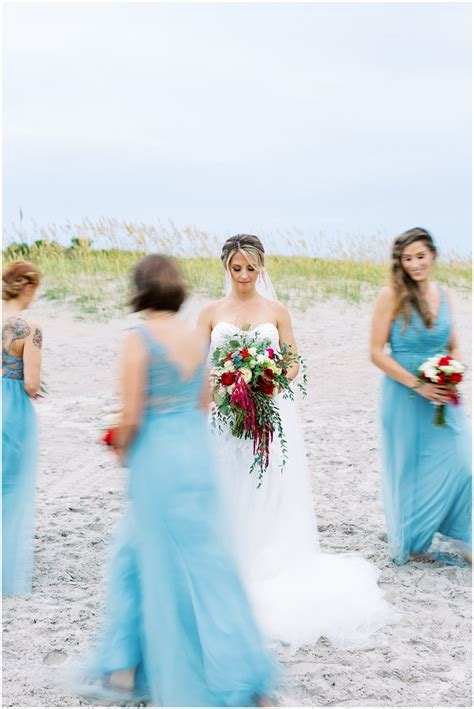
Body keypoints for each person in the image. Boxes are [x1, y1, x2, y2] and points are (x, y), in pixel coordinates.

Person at [73, 254, 277, 707]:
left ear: (139, 289)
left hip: (159, 461)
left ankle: (126, 671)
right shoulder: (191, 337)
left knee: (142, 557)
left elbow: (130, 415)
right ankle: (242, 673)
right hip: (195, 456)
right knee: (205, 565)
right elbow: (203, 402)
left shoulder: (138, 336)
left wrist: (119, 446)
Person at [197, 234, 394, 653]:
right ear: (226, 268)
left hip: (268, 410)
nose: (245, 276)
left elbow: (292, 359)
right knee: (228, 484)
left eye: (251, 268)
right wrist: (220, 387)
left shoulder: (277, 311)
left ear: (262, 268)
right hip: (225, 415)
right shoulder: (211, 312)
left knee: (268, 485)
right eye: (237, 268)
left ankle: (269, 561)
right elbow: (197, 364)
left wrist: (270, 378)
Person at [370, 227, 472, 565]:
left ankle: (467, 536)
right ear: (400, 261)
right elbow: (376, 352)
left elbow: (453, 342)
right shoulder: (391, 295)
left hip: (443, 394)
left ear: (433, 256)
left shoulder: (444, 293)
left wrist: (453, 370)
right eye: (407, 258)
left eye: (420, 256)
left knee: (462, 462)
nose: (414, 264)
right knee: (410, 467)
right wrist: (419, 384)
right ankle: (415, 542)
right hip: (405, 395)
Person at [2, 260, 43, 596]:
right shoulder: (29, 328)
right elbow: (31, 382)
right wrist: (36, 387)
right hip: (12, 406)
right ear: (27, 286)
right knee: (11, 482)